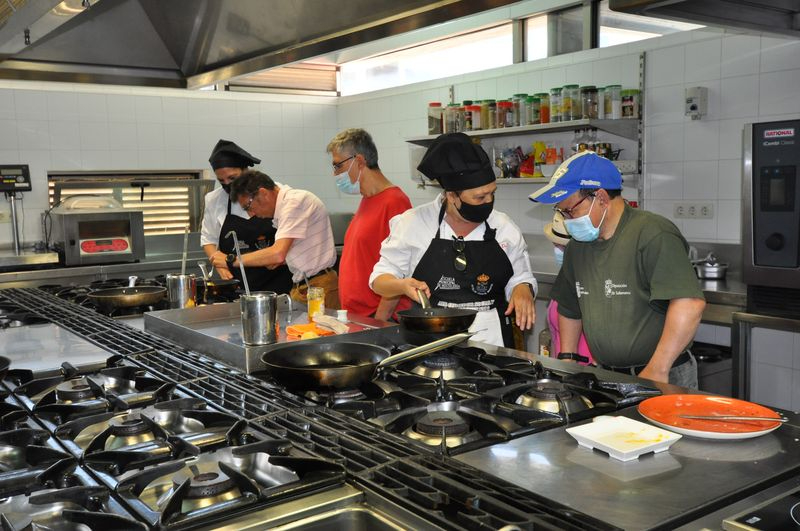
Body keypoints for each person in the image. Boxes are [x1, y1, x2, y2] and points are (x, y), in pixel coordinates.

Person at [529, 151, 705, 387]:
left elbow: (689, 304)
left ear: (600, 198)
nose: (568, 220)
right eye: (562, 213)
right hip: (607, 375)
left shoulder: (653, 234)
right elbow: (570, 307)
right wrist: (568, 361)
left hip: (663, 374)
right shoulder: (578, 247)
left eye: (571, 210)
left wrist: (657, 369)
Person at [370, 132, 537, 348]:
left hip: (493, 342)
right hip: (429, 340)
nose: (489, 202)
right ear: (451, 196)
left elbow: (521, 276)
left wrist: (522, 288)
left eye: (492, 194)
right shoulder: (414, 223)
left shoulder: (503, 226)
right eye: (480, 197)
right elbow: (379, 280)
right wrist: (402, 285)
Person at [215, 170, 340, 309]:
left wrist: (232, 261)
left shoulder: (295, 202)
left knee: (322, 330)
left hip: (319, 286)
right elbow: (289, 252)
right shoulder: (283, 209)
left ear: (263, 193)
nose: (251, 213)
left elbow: (278, 254)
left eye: (248, 206)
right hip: (305, 286)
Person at [326, 128, 413, 320]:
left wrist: (379, 321)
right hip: (358, 316)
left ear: (359, 161)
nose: (335, 174)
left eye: (337, 166)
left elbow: (399, 269)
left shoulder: (395, 202)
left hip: (378, 317)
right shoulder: (367, 200)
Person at [201, 139, 292, 294]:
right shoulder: (214, 200)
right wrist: (220, 265)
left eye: (232, 178)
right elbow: (208, 239)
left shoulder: (274, 193)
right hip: (239, 286)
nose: (228, 185)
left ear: (246, 172)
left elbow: (288, 244)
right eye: (221, 181)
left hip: (280, 283)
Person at [543, 211, 593, 365]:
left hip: (587, 371)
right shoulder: (565, 276)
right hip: (566, 367)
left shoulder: (588, 281)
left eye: (560, 246)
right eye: (555, 244)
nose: (556, 249)